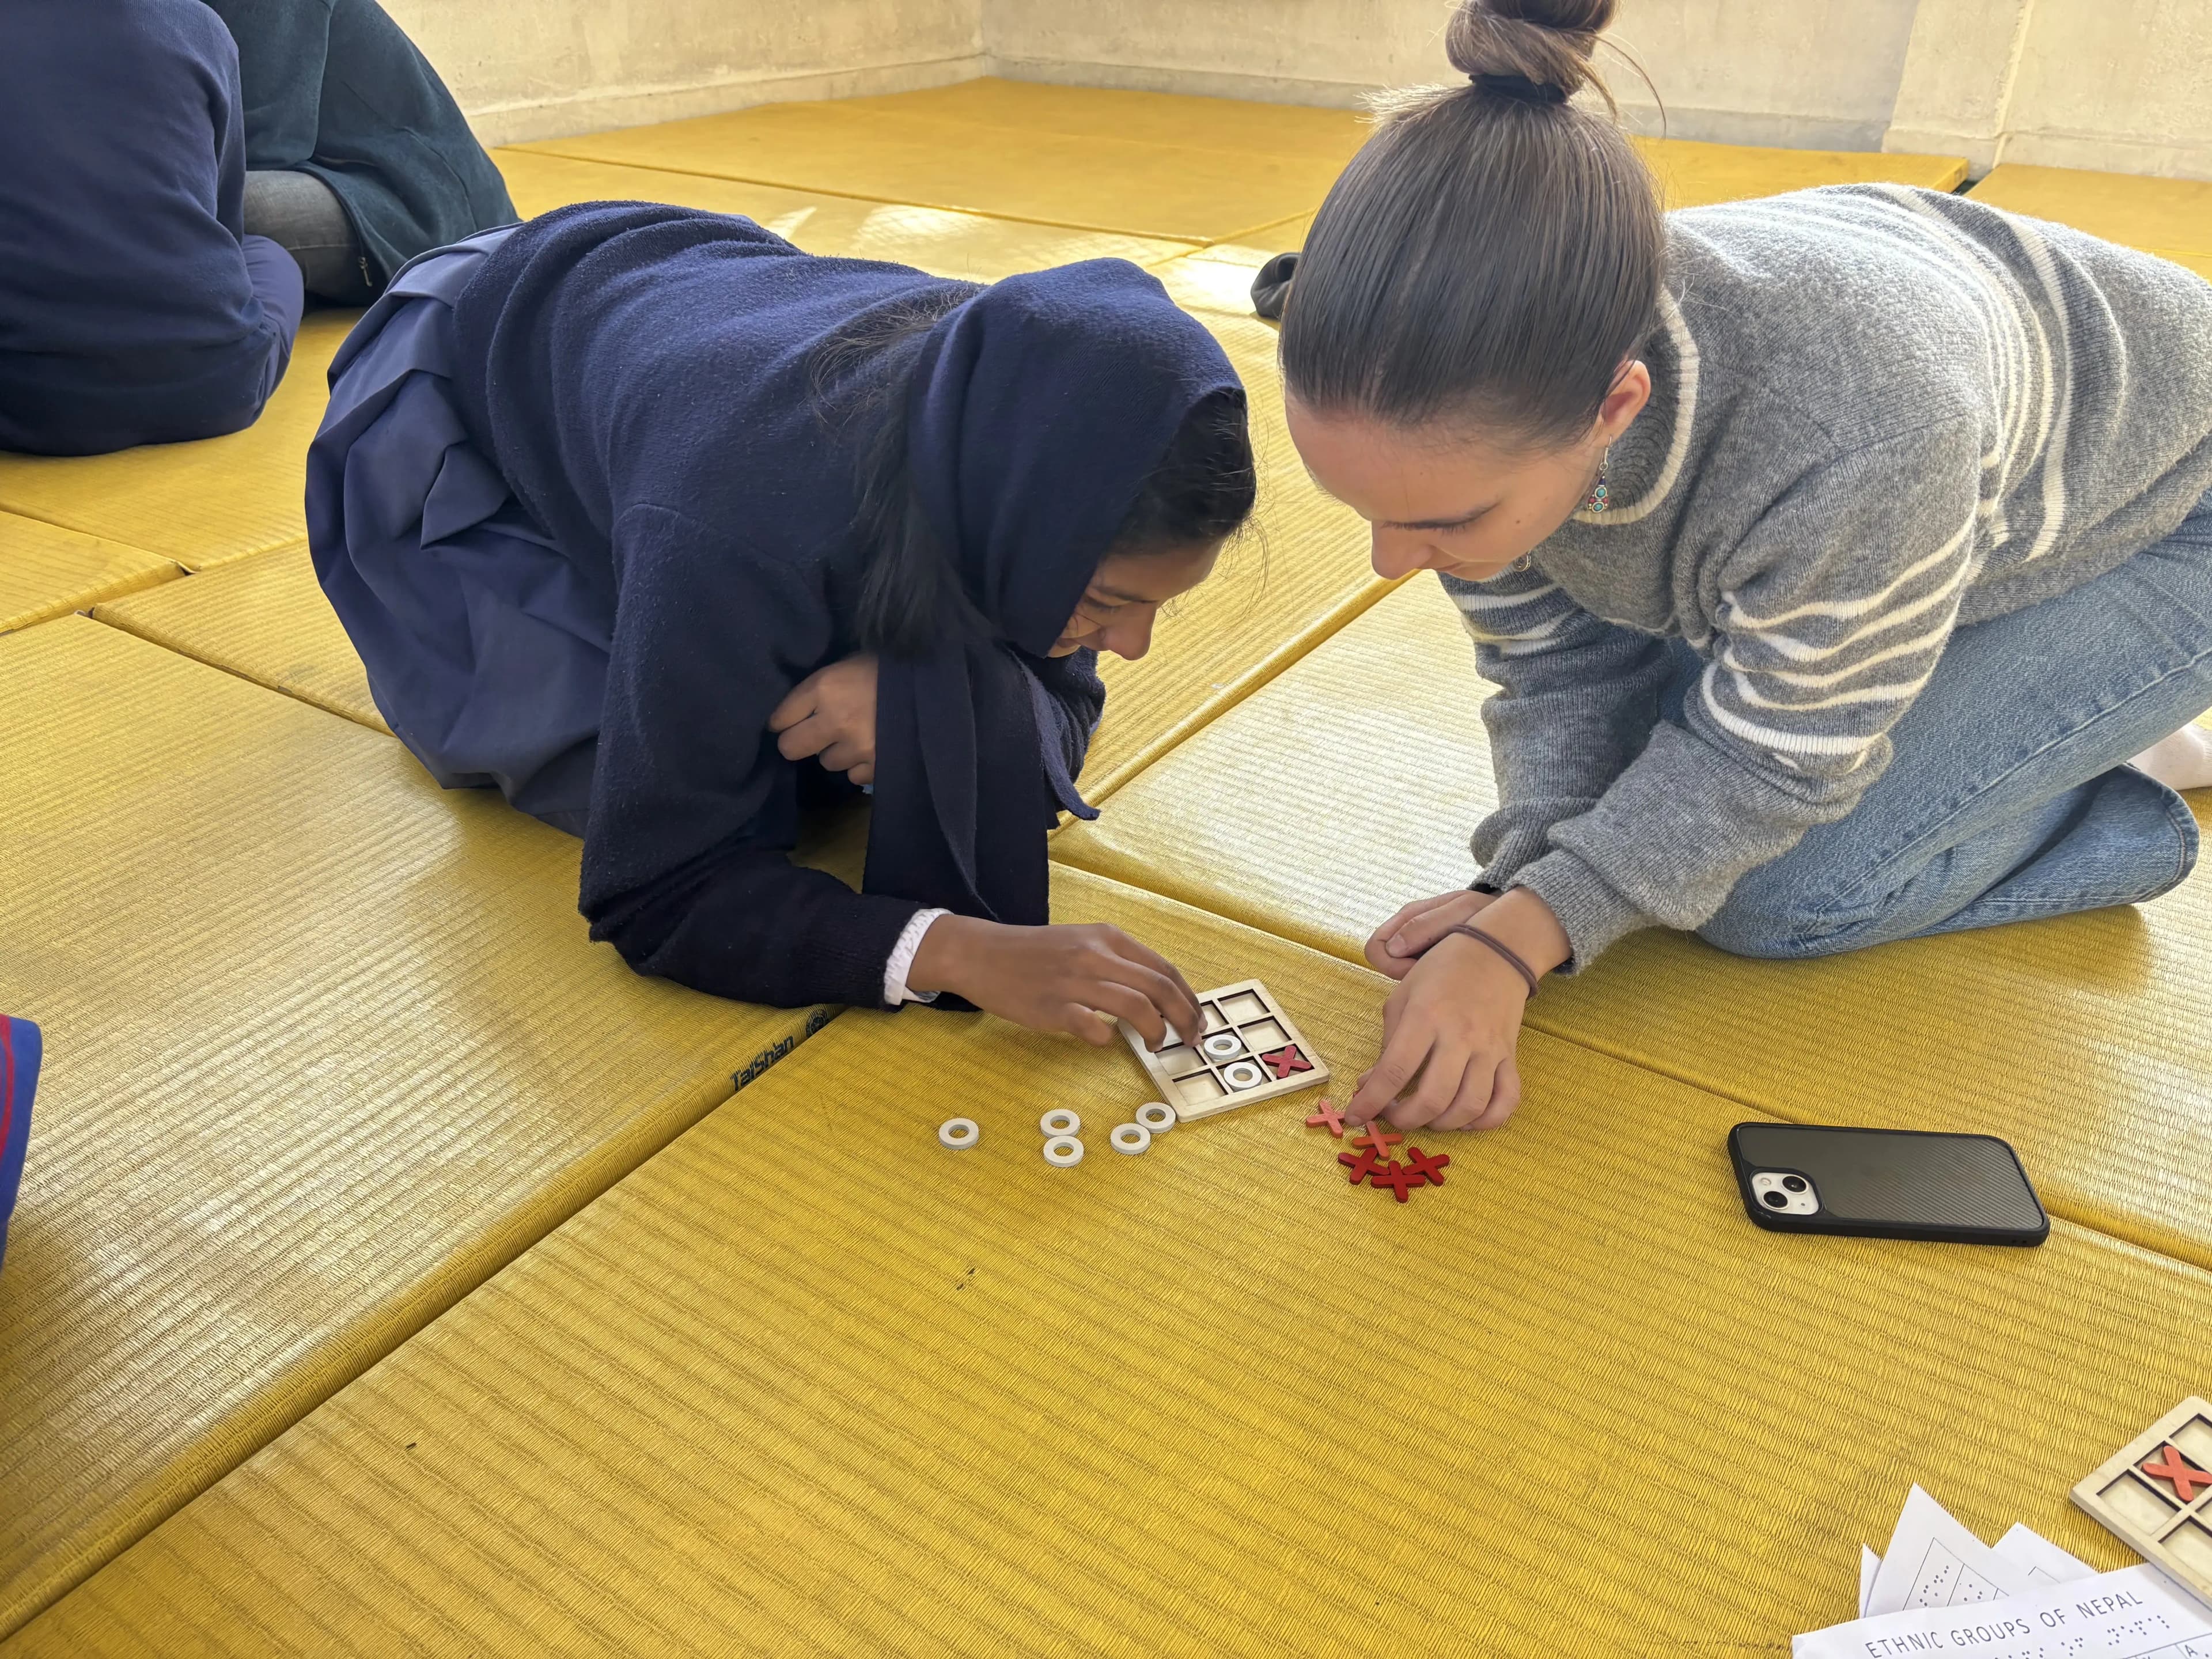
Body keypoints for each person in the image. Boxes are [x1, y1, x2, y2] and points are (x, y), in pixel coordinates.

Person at [1278, 0, 2212, 1132]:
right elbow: (1556, 672)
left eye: (1444, 522)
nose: (1390, 563)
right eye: (1363, 511)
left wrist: (1521, 941)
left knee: (1778, 896)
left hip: (2172, 520)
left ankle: (2111, 787)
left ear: (1614, 407)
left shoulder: (1862, 432)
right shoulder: (1485, 378)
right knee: (1676, 789)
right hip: (1944, 496)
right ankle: (1994, 708)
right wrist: (1523, 882)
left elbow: (1773, 767)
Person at [310, 203, 1256, 1045]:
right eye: (1110, 603)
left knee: (875, 714)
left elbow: (1061, 686)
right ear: (1018, 526)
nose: (1129, 647)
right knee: (658, 763)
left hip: (693, 291)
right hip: (457, 354)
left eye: (1151, 606)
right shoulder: (732, 523)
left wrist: (922, 700)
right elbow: (658, 890)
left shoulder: (1022, 395)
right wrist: (956, 952)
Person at [0, 0, 303, 456]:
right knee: (269, 255)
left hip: (26, 403)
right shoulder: (202, 27)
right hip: (218, 390)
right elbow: (227, 218)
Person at [203, 0, 519, 305]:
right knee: (177, 196)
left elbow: (266, 147)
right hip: (329, 176)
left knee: (208, 204)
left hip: (415, 203)